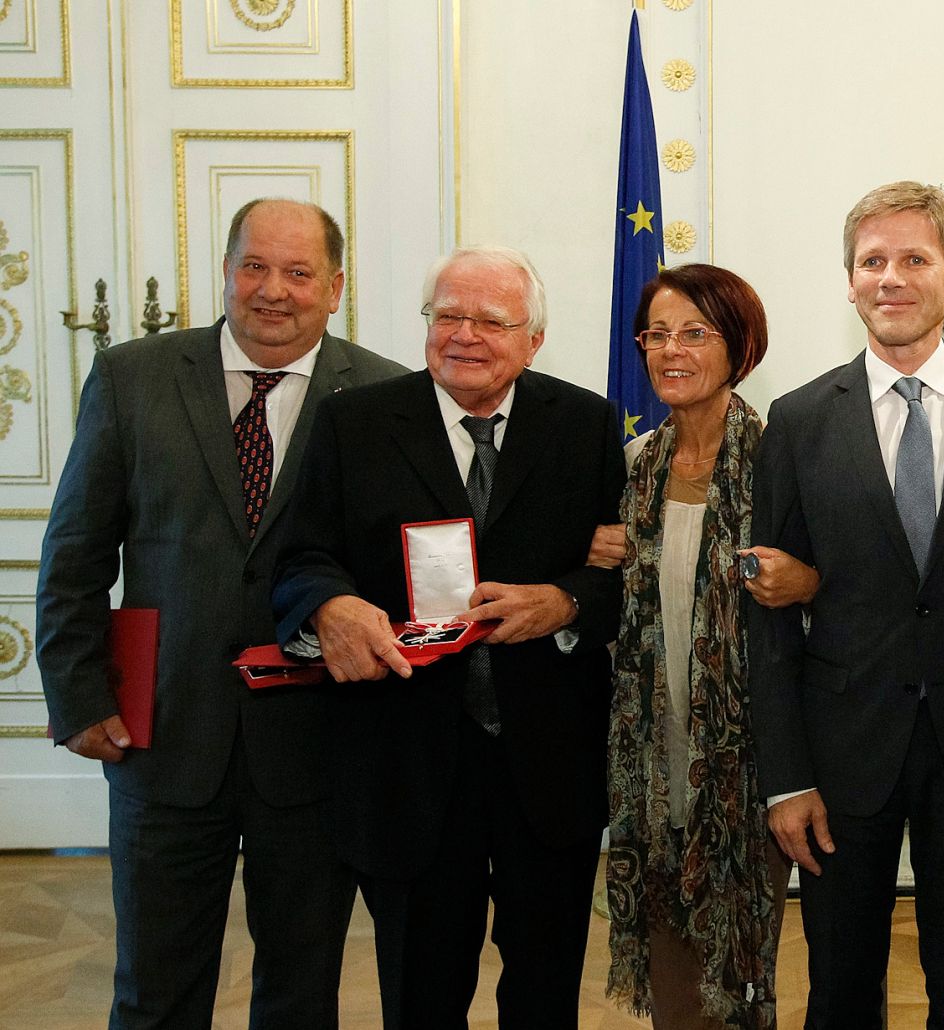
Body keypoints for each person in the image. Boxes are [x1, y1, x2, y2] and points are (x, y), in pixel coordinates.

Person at [36, 198, 405, 1029]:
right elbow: (76, 553)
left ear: (336, 287)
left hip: (317, 745)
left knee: (300, 996)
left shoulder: (382, 394)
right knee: (154, 993)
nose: (273, 290)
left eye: (298, 272)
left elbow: (408, 568)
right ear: (228, 270)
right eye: (254, 266)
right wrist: (78, 697)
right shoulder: (133, 377)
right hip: (163, 737)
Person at [270, 245, 624, 1029]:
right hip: (407, 760)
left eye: (490, 320)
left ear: (533, 339)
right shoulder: (355, 422)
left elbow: (618, 576)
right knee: (421, 993)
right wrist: (331, 607)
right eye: (447, 316)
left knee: (544, 991)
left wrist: (565, 602)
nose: (464, 334)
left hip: (547, 761)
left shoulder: (586, 424)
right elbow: (300, 559)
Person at [747, 181, 944, 1029]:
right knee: (841, 989)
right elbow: (766, 614)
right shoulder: (800, 420)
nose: (891, 277)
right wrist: (786, 780)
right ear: (849, 283)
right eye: (871, 261)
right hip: (841, 759)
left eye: (914, 258)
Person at [594, 264, 816, 1029]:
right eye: (657, 334)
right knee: (674, 986)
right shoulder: (633, 471)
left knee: (740, 981)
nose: (671, 349)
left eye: (695, 332)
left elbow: (839, 593)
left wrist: (809, 583)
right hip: (652, 773)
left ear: (739, 345)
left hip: (751, 772)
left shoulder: (782, 462)